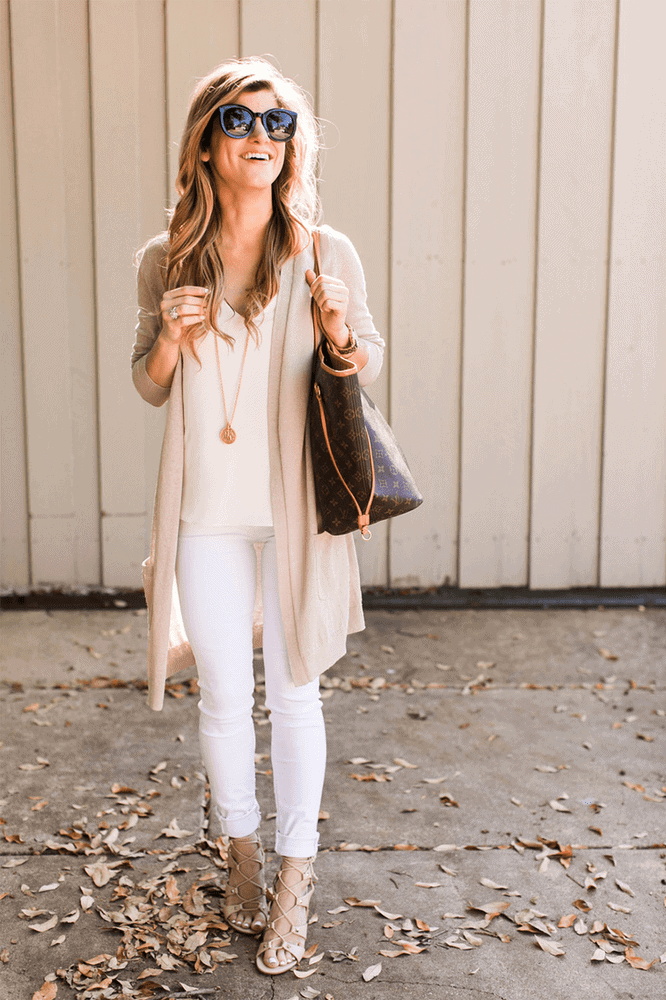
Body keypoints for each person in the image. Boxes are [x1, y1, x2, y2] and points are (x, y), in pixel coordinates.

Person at [130, 56, 385, 976]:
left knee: (295, 690)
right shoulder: (169, 259)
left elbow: (364, 362)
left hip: (292, 520)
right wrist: (168, 339)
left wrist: (341, 331)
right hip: (203, 516)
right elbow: (148, 386)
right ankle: (239, 856)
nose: (264, 140)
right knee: (224, 700)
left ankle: (293, 880)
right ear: (206, 143)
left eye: (280, 125)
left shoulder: (322, 250)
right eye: (242, 122)